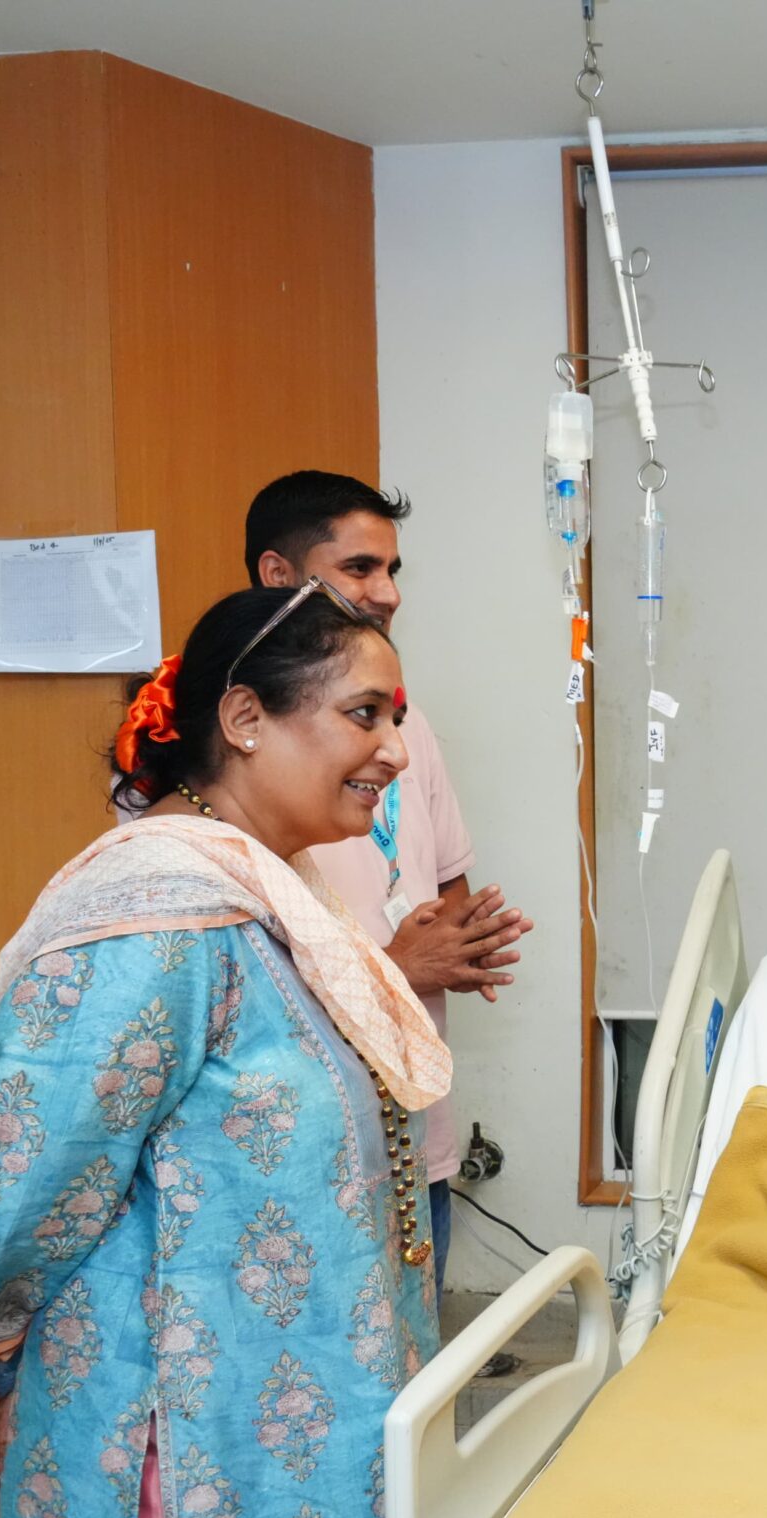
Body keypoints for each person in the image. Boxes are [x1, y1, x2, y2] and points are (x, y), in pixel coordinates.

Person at [0, 584, 454, 1518]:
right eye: (364, 714)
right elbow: (17, 1180)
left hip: (293, 1431)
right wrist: (8, 1320)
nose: (394, 750)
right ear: (244, 719)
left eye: (395, 719)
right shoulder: (153, 917)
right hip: (172, 1450)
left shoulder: (278, 909)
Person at [241, 471, 530, 1280]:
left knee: (416, 1351)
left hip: (411, 1127)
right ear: (278, 575)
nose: (389, 593)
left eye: (393, 570)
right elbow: (236, 979)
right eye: (361, 568)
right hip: (297, 1147)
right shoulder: (226, 742)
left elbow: (445, 891)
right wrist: (396, 968)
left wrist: (462, 944)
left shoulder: (409, 725)